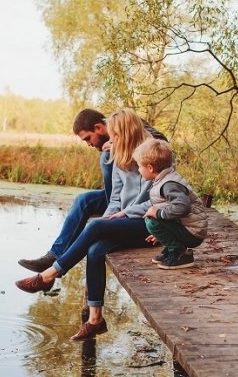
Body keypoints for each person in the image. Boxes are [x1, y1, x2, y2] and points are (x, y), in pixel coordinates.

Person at [15, 108, 156, 341]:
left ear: (128, 134)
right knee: (94, 248)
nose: (112, 140)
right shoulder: (116, 157)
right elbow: (115, 198)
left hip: (151, 223)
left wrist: (121, 215)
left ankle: (50, 275)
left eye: (116, 136)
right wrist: (110, 216)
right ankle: (95, 320)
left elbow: (156, 201)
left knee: (95, 227)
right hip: (126, 218)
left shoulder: (152, 158)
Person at [17, 108, 166, 273]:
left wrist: (120, 143)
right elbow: (116, 192)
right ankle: (54, 256)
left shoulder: (126, 125)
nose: (88, 144)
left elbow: (160, 141)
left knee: (106, 158)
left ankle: (55, 270)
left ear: (99, 128)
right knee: (83, 200)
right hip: (120, 197)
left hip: (143, 203)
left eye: (88, 138)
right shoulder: (114, 138)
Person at [134, 138, 208, 269]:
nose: (138, 170)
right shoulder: (164, 180)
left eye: (139, 166)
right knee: (152, 219)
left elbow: (183, 207)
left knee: (152, 220)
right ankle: (172, 248)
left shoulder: (168, 185)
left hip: (193, 232)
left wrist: (158, 213)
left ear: (150, 168)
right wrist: (164, 232)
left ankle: (180, 253)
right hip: (188, 227)